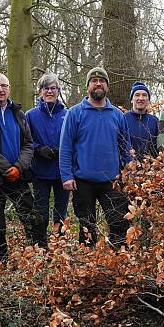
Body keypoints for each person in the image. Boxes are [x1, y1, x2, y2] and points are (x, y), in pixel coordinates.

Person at [0, 73, 47, 263]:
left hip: (17, 174)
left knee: (32, 215)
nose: (0, 89)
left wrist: (18, 167)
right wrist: (7, 167)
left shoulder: (18, 113)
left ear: (9, 89)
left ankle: (42, 253)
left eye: (4, 85)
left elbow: (28, 144)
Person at [59, 67, 132, 247]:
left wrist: (129, 171)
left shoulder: (117, 115)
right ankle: (89, 264)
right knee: (86, 225)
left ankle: (119, 260)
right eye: (94, 81)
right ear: (88, 86)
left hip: (112, 180)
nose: (98, 84)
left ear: (107, 86)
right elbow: (65, 147)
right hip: (83, 180)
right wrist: (67, 176)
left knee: (119, 222)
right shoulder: (75, 113)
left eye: (102, 81)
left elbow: (125, 147)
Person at [25, 72, 70, 236]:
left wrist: (63, 149)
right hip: (40, 171)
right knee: (41, 212)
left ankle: (60, 244)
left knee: (61, 212)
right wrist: (39, 149)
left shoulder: (67, 114)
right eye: (46, 88)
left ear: (58, 91)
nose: (49, 92)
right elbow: (25, 140)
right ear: (40, 91)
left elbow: (74, 139)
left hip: (62, 171)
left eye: (53, 88)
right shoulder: (30, 115)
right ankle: (40, 243)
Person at [124, 81, 158, 160]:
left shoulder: (154, 121)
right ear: (131, 99)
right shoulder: (123, 119)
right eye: (137, 95)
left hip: (151, 170)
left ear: (148, 100)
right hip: (128, 169)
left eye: (144, 95)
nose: (141, 98)